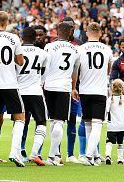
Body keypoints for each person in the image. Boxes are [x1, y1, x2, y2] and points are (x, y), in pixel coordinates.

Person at [0, 11, 26, 167]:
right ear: (7, 22)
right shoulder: (14, 38)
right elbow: (20, 61)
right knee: (20, 118)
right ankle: (14, 152)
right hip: (9, 83)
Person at [74, 22, 113, 166]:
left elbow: (76, 70)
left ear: (87, 33)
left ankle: (94, 156)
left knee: (88, 124)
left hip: (84, 90)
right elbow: (108, 70)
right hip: (99, 90)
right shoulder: (107, 49)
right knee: (97, 125)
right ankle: (90, 156)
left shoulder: (80, 49)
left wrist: (74, 87)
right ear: (100, 33)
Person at [43, 22, 79, 166]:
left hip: (49, 86)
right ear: (69, 33)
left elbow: (44, 67)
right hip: (64, 87)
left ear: (58, 32)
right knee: (59, 121)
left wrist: (43, 82)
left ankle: (55, 154)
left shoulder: (49, 46)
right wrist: (73, 87)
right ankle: (52, 156)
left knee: (52, 120)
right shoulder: (75, 50)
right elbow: (75, 72)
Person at [16, 26, 49, 166]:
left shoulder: (17, 52)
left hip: (19, 92)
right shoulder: (43, 53)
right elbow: (44, 75)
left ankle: (17, 152)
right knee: (41, 122)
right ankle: (34, 154)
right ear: (35, 38)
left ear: (22, 37)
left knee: (20, 123)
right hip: (35, 91)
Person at [62, 16, 85, 164]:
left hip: (75, 88)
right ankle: (55, 153)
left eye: (72, 26)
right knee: (57, 121)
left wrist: (75, 86)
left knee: (72, 119)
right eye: (67, 26)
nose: (70, 29)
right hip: (59, 87)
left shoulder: (80, 44)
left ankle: (70, 154)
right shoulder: (55, 43)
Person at [105, 79, 124, 165]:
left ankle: (108, 156)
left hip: (112, 126)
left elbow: (107, 111)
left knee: (109, 142)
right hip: (122, 125)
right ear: (122, 88)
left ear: (112, 88)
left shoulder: (109, 100)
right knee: (120, 142)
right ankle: (120, 159)